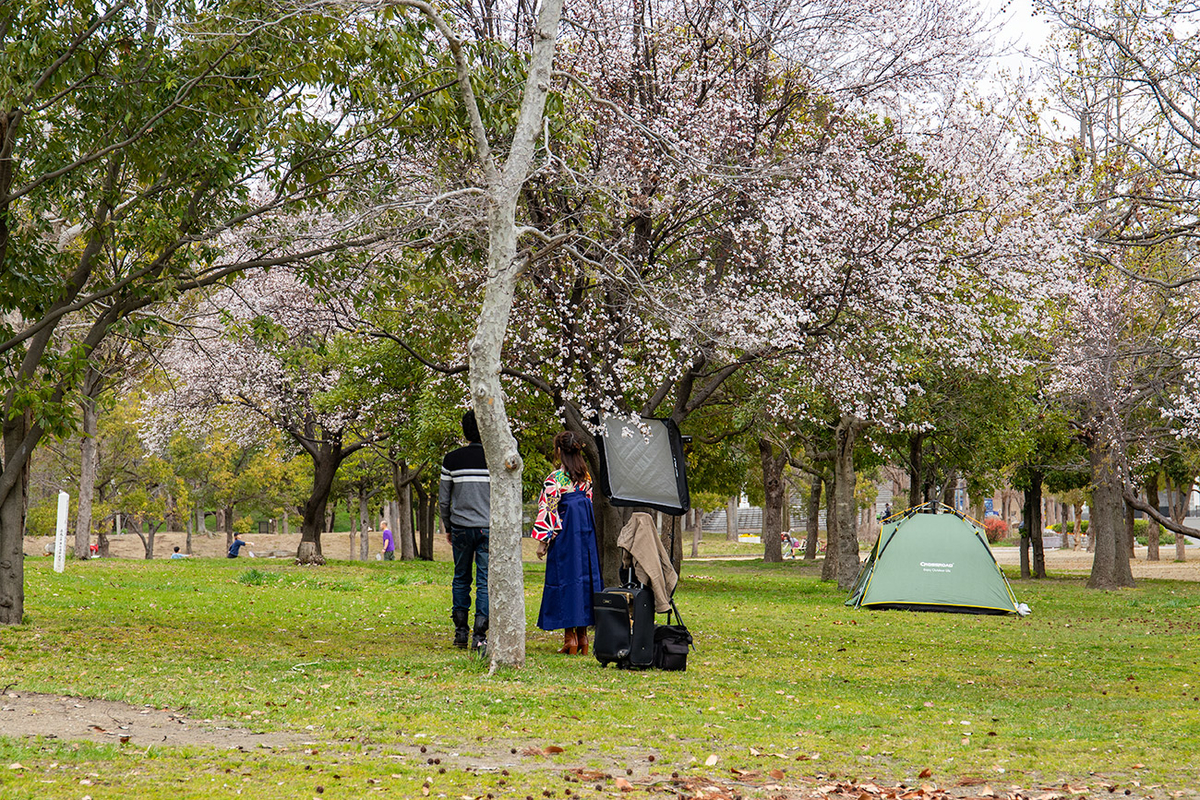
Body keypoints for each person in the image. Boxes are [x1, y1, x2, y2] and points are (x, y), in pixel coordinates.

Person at [531, 430, 603, 655]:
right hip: (586, 537)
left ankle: (569, 638)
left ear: (560, 451)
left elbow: (549, 510)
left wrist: (543, 542)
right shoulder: (586, 477)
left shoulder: (555, 479)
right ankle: (583, 638)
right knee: (585, 581)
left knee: (565, 580)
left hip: (565, 537)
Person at [439, 409, 490, 651]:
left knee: (461, 578)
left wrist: (448, 526)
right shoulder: (495, 459)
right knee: (484, 580)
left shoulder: (451, 459)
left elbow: (443, 499)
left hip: (460, 526)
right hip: (487, 528)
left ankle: (460, 632)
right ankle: (480, 634)